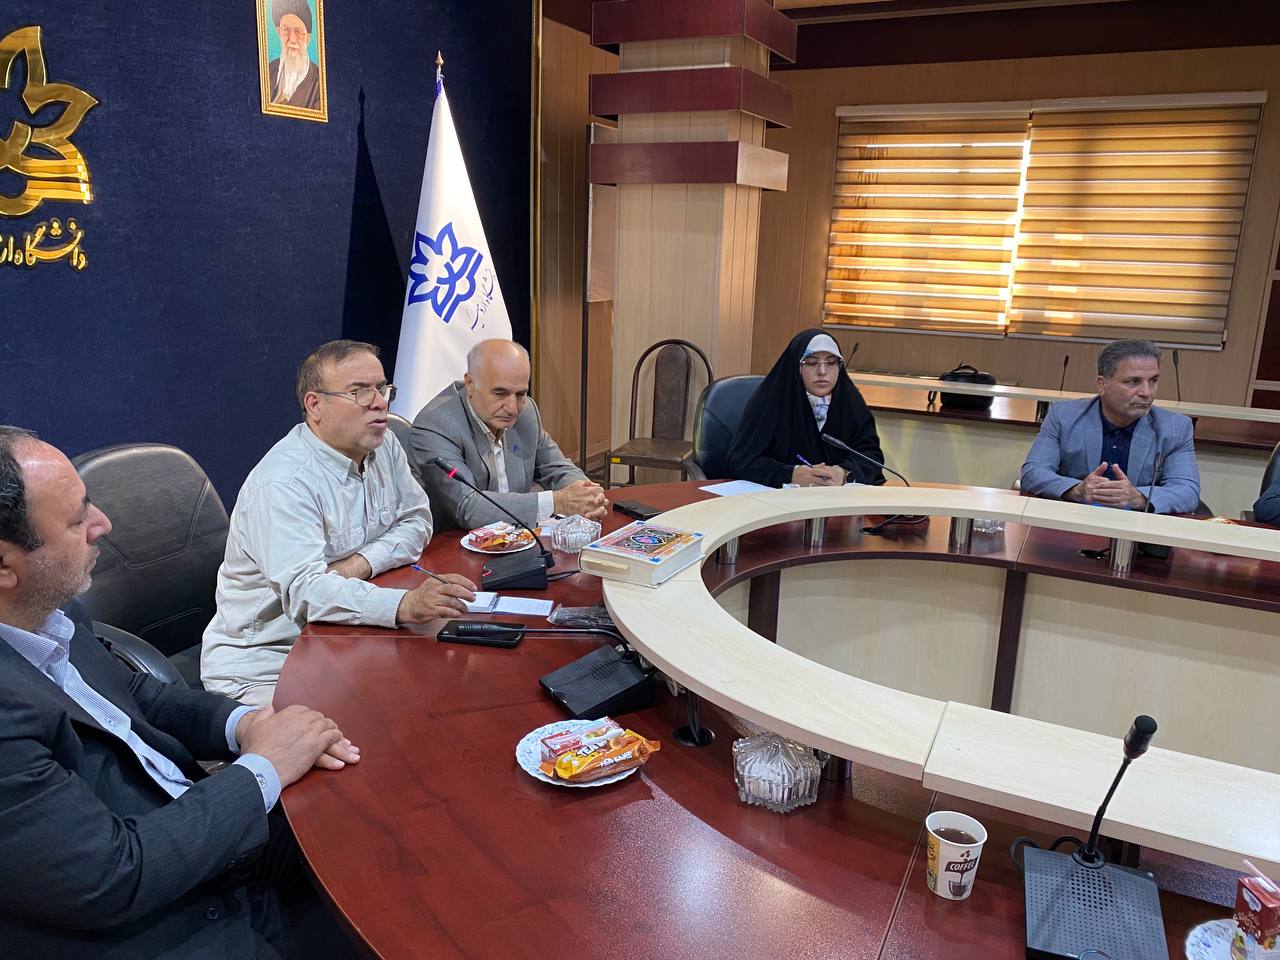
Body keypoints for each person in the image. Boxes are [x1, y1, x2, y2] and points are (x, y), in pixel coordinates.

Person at [0, 426, 361, 958]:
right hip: (155, 913)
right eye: (77, 521)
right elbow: (114, 876)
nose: (103, 524)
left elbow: (135, 694)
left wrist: (247, 725)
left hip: (200, 832)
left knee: (373, 832)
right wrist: (264, 767)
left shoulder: (45, 610)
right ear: (5, 566)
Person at [202, 340, 475, 705]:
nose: (379, 402)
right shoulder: (283, 484)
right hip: (269, 661)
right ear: (315, 405)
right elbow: (307, 595)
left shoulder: (385, 445)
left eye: (382, 388)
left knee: (451, 684)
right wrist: (404, 605)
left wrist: (356, 566)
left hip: (346, 637)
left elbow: (417, 521)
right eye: (359, 392)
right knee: (374, 726)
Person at [411, 339, 607, 530]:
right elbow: (468, 507)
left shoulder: (527, 412)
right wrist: (558, 502)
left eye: (520, 394)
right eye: (500, 393)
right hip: (453, 544)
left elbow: (557, 467)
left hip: (519, 538)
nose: (512, 408)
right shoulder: (436, 424)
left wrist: (587, 494)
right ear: (470, 383)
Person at [1020, 339, 1200, 514]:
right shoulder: (1064, 416)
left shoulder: (1175, 428)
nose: (1147, 392)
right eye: (1133, 381)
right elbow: (1033, 472)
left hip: (1137, 528)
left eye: (1153, 380)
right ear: (1102, 384)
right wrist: (1076, 490)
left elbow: (1187, 491)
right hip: (1073, 521)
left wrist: (1138, 498)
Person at [727, 329, 885, 487]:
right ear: (797, 366)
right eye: (811, 363)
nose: (822, 372)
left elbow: (872, 457)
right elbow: (741, 462)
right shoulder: (769, 402)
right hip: (781, 498)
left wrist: (844, 473)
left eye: (831, 363)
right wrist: (790, 474)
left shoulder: (850, 402)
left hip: (839, 498)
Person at [268, 0, 320, 111]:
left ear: (308, 38)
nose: (292, 39)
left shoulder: (319, 83)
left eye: (298, 31)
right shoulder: (267, 71)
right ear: (278, 32)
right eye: (286, 30)